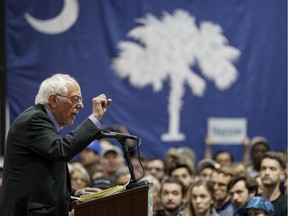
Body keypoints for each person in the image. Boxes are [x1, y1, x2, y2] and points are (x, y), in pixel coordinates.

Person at [0, 74, 112, 216]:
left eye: (80, 99)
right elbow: (61, 150)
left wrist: (73, 193)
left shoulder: (43, 123)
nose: (81, 105)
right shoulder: (34, 120)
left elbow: (41, 180)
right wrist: (94, 118)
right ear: (53, 100)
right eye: (75, 99)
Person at [259, 151, 287, 216]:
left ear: (282, 174)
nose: (266, 172)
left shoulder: (286, 206)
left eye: (272, 169)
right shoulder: (251, 203)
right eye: (263, 168)